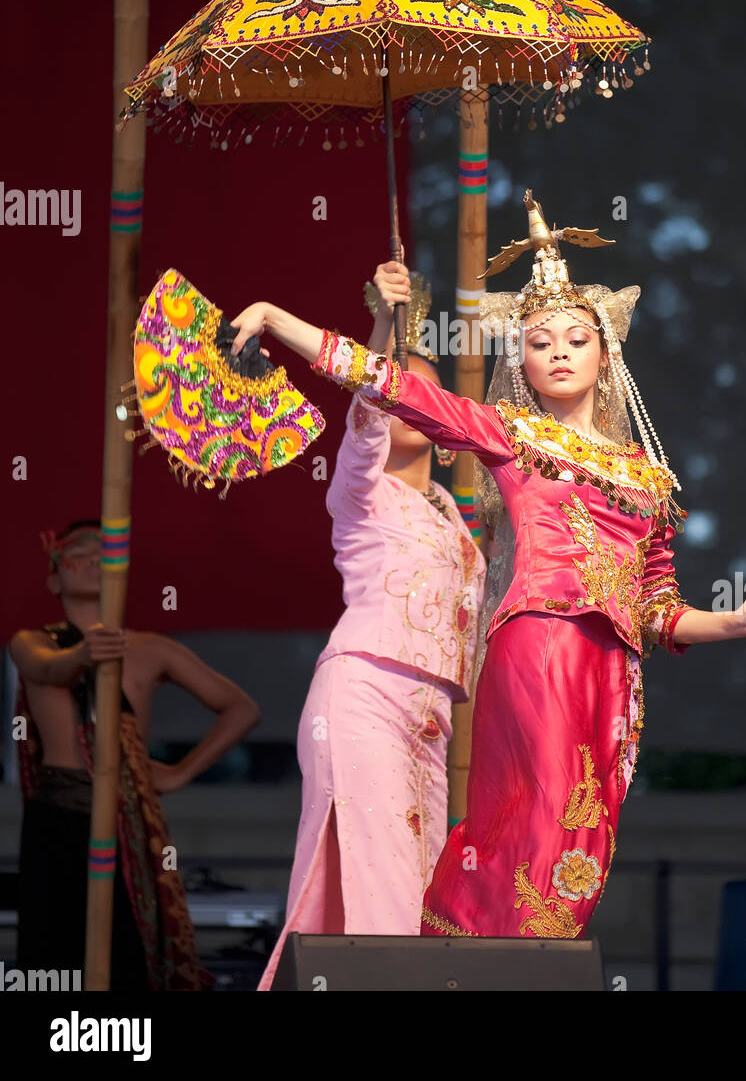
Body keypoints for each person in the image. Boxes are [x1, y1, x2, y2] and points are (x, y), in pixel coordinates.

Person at [230, 191, 746, 939]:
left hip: (615, 671)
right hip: (541, 643)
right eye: (538, 339)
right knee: (543, 815)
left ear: (604, 351)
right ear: (517, 359)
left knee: (581, 845)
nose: (557, 350)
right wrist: (273, 316)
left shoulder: (646, 476)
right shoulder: (510, 434)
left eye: (575, 338)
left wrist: (738, 621)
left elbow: (657, 609)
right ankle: (476, 959)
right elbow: (390, 385)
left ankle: (464, 956)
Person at [257, 274, 484, 988]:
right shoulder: (359, 490)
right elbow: (365, 403)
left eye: (419, 392)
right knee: (383, 895)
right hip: (361, 696)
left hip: (430, 723)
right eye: (394, 386)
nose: (399, 397)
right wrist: (385, 329)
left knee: (409, 896)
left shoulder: (458, 523)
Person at [10, 519, 260, 989]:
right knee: (52, 962)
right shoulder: (33, 642)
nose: (88, 563)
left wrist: (181, 772)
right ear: (54, 579)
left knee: (130, 959)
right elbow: (46, 669)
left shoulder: (151, 650)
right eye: (74, 557)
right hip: (59, 819)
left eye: (99, 554)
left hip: (127, 819)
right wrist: (84, 656)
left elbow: (241, 709)